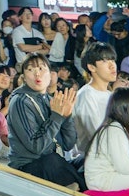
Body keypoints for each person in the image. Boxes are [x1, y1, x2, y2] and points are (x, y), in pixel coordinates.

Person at [6, 55, 83, 188]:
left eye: (42, 68)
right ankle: (84, 191)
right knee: (52, 161)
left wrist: (67, 116)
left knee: (87, 161)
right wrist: (57, 116)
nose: (37, 74)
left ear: (51, 74)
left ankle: (79, 187)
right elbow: (37, 146)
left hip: (54, 162)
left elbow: (68, 144)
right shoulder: (20, 101)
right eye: (30, 69)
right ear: (23, 77)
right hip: (28, 167)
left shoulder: (50, 99)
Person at [73, 43, 118, 154]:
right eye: (104, 61)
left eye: (112, 60)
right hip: (90, 159)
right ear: (91, 67)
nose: (112, 65)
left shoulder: (110, 95)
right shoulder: (86, 95)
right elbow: (96, 135)